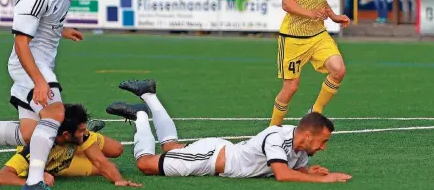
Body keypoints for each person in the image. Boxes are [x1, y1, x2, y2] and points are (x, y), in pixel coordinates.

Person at [106, 79, 352, 183]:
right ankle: (140, 115)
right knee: (146, 165)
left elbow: (293, 168)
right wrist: (324, 179)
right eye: (322, 141)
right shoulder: (276, 136)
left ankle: (148, 94)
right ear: (307, 135)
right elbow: (282, 174)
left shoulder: (302, 149)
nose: (323, 147)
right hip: (210, 158)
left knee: (170, 149)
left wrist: (309, 171)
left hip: (216, 154)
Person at [0, 0, 85, 190]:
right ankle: (34, 182)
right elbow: (21, 44)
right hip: (29, 62)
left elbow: (49, 21)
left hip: (42, 62)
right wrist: (39, 81)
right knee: (56, 113)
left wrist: (62, 30)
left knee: (28, 133)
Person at [270, 0, 350, 125]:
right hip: (294, 38)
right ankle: (271, 130)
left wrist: (333, 15)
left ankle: (316, 110)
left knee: (339, 70)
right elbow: (287, 4)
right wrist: (310, 13)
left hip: (318, 35)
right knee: (291, 88)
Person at [0, 104, 141, 188]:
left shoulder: (81, 136)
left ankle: (81, 146)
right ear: (66, 134)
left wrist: (119, 180)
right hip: (55, 163)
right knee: (101, 169)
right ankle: (80, 150)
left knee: (117, 149)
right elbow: (1, 177)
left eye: (84, 130)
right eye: (81, 130)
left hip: (68, 145)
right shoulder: (35, 146)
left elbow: (102, 161)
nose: (85, 134)